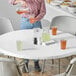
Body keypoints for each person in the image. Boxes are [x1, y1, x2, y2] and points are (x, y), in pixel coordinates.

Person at [9, 0, 46, 72]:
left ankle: (36, 62)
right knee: (25, 43)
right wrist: (20, 1)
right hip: (25, 21)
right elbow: (11, 1)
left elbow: (43, 11)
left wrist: (36, 19)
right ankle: (25, 63)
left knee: (37, 42)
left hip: (36, 22)